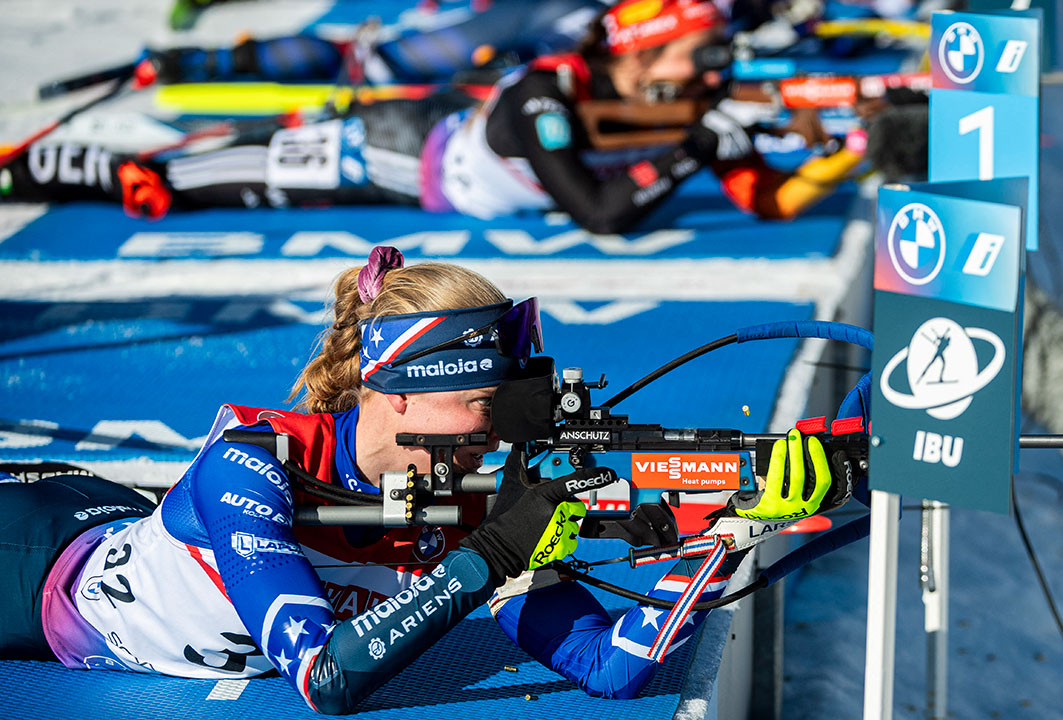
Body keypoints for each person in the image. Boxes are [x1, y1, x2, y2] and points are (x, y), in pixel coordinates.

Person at [0, 246, 850, 712]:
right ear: (395, 390)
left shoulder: (465, 499)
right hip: (31, 559)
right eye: (484, 405)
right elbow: (328, 681)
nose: (499, 438)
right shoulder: (249, 469)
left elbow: (607, 666)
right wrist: (491, 550)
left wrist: (729, 533)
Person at [0, 0, 863, 234]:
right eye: (695, 54)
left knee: (189, 166)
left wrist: (852, 151)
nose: (708, 71)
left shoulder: (677, 106)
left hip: (424, 152)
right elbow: (604, 216)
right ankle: (20, 166)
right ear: (640, 56)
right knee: (177, 177)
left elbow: (767, 200)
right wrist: (693, 145)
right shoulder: (545, 95)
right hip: (386, 152)